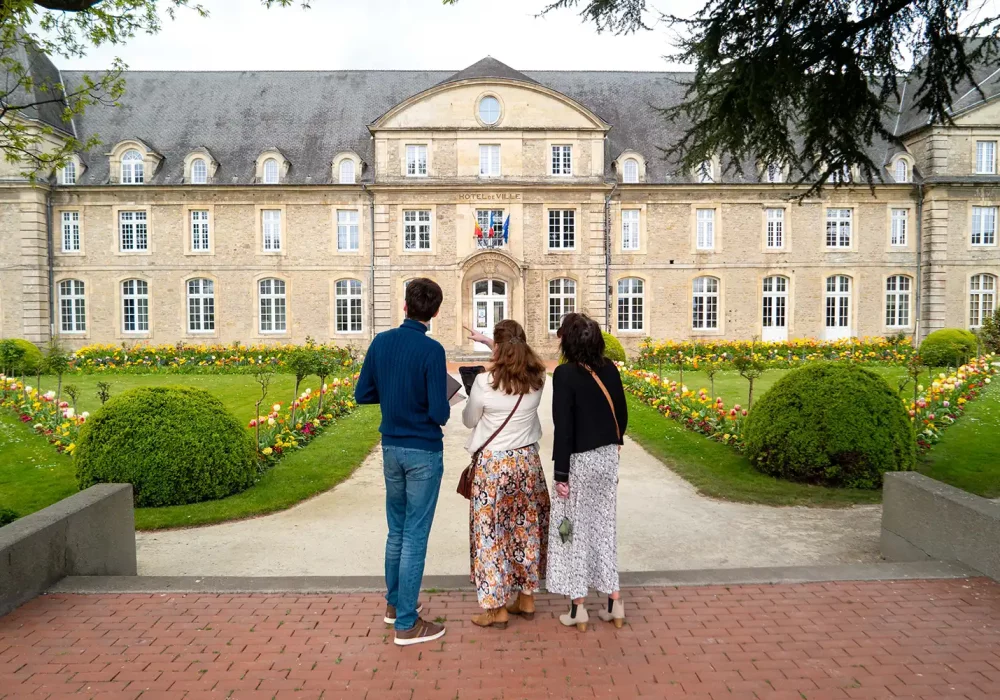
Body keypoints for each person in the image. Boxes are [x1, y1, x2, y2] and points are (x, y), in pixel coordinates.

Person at [355, 278, 450, 647]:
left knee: (396, 530)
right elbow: (440, 413)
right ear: (435, 312)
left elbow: (364, 393)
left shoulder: (381, 342)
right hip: (423, 450)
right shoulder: (431, 350)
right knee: (414, 535)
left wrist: (393, 392)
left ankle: (395, 606)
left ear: (405, 305)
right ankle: (407, 624)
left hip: (391, 448)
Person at [462, 320, 550, 629]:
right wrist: (491, 342)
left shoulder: (484, 383)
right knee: (524, 529)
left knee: (490, 535)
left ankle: (496, 606)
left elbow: (470, 420)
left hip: (493, 467)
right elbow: (515, 357)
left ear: (498, 349)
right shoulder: (538, 379)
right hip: (526, 463)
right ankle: (526, 597)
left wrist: (490, 350)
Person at [546, 313, 628, 631]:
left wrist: (561, 474)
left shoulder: (565, 375)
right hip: (607, 457)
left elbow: (563, 427)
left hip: (579, 462)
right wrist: (614, 440)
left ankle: (578, 606)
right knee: (604, 529)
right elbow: (621, 412)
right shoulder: (610, 369)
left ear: (566, 340)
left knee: (574, 533)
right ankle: (614, 602)